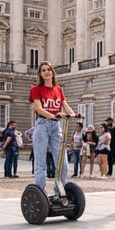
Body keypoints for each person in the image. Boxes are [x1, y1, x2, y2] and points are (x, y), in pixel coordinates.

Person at [28, 61, 77, 194]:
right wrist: (55, 115)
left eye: (48, 69)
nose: (46, 72)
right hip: (42, 125)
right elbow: (39, 109)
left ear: (52, 72)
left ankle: (58, 192)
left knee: (63, 163)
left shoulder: (59, 89)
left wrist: (75, 115)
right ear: (40, 74)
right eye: (43, 70)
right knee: (40, 163)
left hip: (57, 127)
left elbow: (66, 107)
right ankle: (41, 193)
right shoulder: (36, 90)